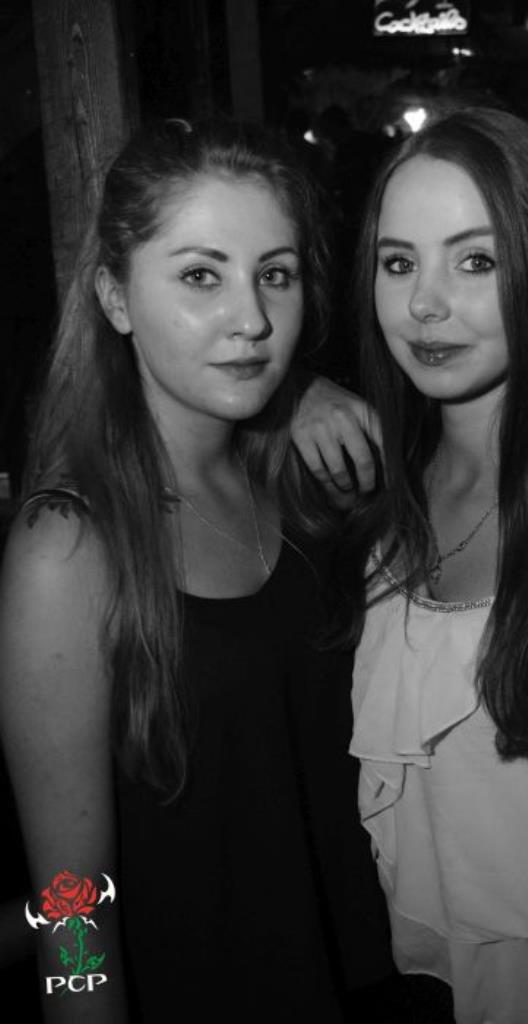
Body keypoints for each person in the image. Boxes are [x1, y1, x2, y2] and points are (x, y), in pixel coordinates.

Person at [291, 106, 528, 1022]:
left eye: (475, 261)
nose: (425, 304)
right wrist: (292, 392)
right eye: (398, 263)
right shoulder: (380, 489)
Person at [0, 116, 394, 1023]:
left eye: (276, 275)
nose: (251, 320)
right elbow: (70, 903)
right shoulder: (69, 547)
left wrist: (301, 397)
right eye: (200, 276)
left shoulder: (302, 485)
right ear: (115, 298)